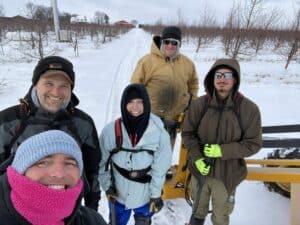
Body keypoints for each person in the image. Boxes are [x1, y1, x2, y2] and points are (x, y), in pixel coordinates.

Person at [0, 56, 101, 210]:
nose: (56, 92)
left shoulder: (83, 123)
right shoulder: (8, 121)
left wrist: (91, 206)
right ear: (35, 84)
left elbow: (92, 170)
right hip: (17, 210)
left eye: (64, 86)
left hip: (68, 209)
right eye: (49, 83)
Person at [182, 58, 262, 225]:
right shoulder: (199, 105)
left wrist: (222, 150)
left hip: (227, 175)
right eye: (218, 75)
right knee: (197, 212)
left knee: (221, 217)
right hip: (200, 172)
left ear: (235, 79)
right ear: (212, 78)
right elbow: (188, 134)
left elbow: (253, 143)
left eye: (227, 75)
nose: (222, 79)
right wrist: (197, 159)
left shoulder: (249, 109)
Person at [99, 83, 172, 225]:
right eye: (131, 102)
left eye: (140, 102)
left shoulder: (159, 133)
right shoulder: (111, 131)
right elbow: (101, 163)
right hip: (118, 196)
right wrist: (107, 187)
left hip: (144, 197)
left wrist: (155, 195)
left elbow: (160, 168)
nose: (135, 107)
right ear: (124, 104)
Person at [131, 26, 199, 178]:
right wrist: (137, 110)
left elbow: (193, 84)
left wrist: (191, 104)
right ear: (161, 42)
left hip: (173, 117)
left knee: (168, 145)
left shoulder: (187, 64)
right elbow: (135, 86)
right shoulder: (147, 61)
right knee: (148, 145)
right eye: (167, 41)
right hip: (151, 116)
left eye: (174, 43)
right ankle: (144, 170)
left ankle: (164, 167)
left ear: (179, 45)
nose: (170, 46)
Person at [0, 130, 107, 225]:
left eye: (69, 163)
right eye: (43, 163)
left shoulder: (92, 220)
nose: (59, 174)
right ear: (19, 172)